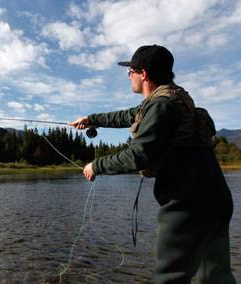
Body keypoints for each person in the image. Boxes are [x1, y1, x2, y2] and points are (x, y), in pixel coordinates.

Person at [69, 45, 236, 283]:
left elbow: (139, 155)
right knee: (214, 277)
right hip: (216, 200)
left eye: (131, 71)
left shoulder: (161, 105)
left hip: (187, 207)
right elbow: (127, 115)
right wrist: (91, 119)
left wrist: (96, 165)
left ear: (143, 74)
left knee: (170, 277)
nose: (129, 76)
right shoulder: (173, 97)